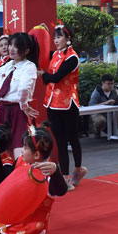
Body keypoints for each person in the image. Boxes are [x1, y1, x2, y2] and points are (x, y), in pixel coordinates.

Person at [40, 23, 85, 190]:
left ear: (68, 38)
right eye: (54, 37)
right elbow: (40, 52)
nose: (56, 40)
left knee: (71, 139)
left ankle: (75, 172)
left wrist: (44, 76)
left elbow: (56, 77)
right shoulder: (55, 55)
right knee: (60, 141)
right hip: (52, 102)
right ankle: (66, 176)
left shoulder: (72, 58)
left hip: (68, 104)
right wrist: (41, 32)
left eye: (59, 37)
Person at [0, 33, 39, 157]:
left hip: (18, 111)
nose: (11, 48)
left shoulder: (29, 66)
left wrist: (23, 106)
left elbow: (23, 89)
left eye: (16, 46)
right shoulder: (7, 66)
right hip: (3, 110)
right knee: (0, 150)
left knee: (20, 150)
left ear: (26, 50)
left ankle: (20, 175)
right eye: (10, 44)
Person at [88, 73, 118, 138]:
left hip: (110, 112)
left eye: (112, 83)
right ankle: (97, 131)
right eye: (108, 84)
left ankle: (109, 129)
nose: (111, 86)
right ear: (103, 83)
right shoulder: (97, 92)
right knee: (100, 120)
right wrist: (105, 103)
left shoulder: (114, 91)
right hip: (98, 112)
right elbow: (91, 105)